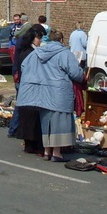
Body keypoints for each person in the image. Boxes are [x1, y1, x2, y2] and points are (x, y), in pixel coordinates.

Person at [17, 29, 84, 162]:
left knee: (46, 122)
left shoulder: (37, 53)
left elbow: (24, 66)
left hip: (41, 94)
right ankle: (56, 153)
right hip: (59, 92)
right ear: (61, 40)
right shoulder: (65, 53)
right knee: (59, 123)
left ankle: (47, 151)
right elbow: (76, 73)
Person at [7, 25, 43, 141]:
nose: (41, 41)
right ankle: (15, 129)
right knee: (21, 106)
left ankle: (15, 129)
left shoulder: (23, 47)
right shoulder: (28, 51)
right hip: (24, 80)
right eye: (39, 38)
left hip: (20, 77)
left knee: (21, 104)